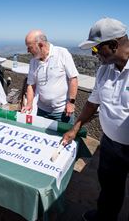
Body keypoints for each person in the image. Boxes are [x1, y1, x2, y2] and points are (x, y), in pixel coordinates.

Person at [62, 18, 129, 221]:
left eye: (96, 50)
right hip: (109, 145)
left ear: (113, 45)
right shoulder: (103, 71)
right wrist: (76, 127)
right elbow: (92, 104)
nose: (95, 54)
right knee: (110, 188)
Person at [21, 30, 78, 124]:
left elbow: (73, 79)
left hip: (62, 112)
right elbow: (31, 85)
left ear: (40, 45)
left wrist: (71, 102)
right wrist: (29, 104)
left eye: (30, 47)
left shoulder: (62, 53)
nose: (27, 51)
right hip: (42, 111)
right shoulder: (33, 61)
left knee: (64, 137)